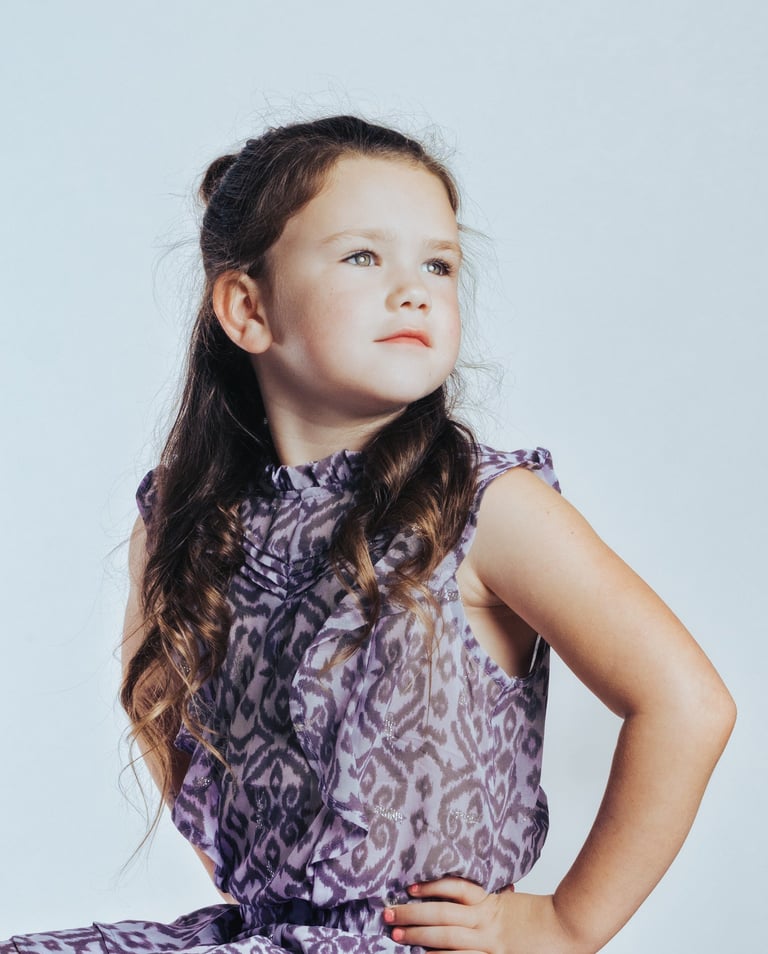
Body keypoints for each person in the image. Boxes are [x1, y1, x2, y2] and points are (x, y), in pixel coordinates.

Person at [2, 115, 735, 954]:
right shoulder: (186, 518)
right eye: (362, 257)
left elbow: (687, 704)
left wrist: (567, 923)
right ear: (248, 308)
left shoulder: (482, 505)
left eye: (439, 263)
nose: (415, 288)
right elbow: (157, 695)